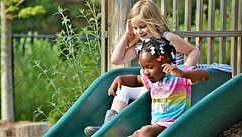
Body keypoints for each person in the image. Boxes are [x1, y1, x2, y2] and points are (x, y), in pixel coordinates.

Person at [84, 0, 200, 136]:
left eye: (142, 26)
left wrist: (182, 73)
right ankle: (108, 126)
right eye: (135, 27)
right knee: (124, 89)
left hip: (169, 88)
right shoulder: (141, 45)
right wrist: (127, 35)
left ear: (153, 22)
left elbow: (194, 52)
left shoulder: (167, 38)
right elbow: (116, 59)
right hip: (149, 84)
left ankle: (124, 130)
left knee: (142, 93)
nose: (139, 31)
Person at [110, 37, 210, 136]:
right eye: (143, 67)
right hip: (158, 126)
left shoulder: (178, 75)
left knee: (145, 131)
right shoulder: (151, 80)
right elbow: (137, 80)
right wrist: (121, 79)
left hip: (176, 125)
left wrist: (183, 73)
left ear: (165, 61)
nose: (146, 72)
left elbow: (205, 75)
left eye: (150, 67)